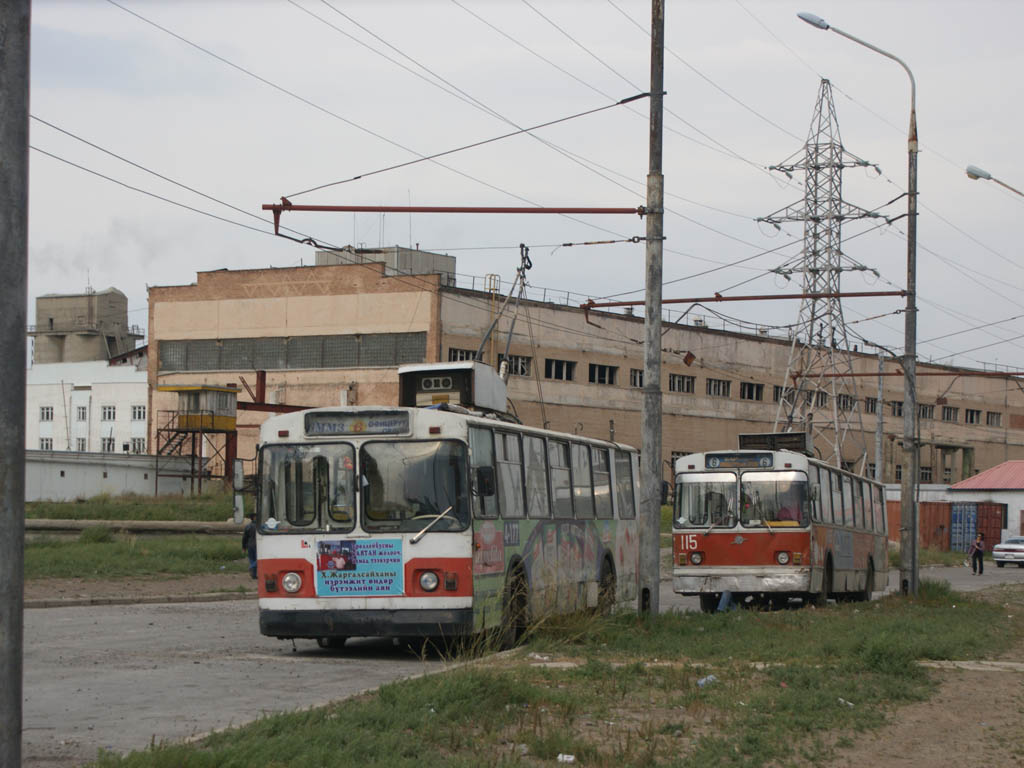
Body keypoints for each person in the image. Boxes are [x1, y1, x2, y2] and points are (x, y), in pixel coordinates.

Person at [242, 512, 258, 580]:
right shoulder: (260, 526)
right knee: (258, 560)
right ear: (254, 518)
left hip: (249, 545)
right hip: (257, 545)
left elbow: (244, 538)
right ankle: (251, 567)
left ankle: (254, 575)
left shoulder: (248, 526)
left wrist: (244, 547)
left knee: (252, 559)